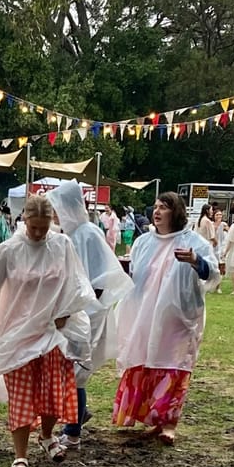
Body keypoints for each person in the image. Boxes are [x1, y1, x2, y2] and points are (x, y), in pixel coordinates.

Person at [0, 194, 92, 467]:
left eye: (44, 227)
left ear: (51, 222)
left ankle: (48, 436)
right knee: (22, 394)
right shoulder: (9, 251)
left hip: (52, 330)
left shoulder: (62, 245)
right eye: (33, 227)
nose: (38, 233)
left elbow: (76, 283)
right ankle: (20, 453)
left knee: (53, 391)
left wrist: (67, 311)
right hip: (18, 331)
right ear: (24, 220)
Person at [110, 191, 215, 445]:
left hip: (177, 317)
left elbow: (211, 272)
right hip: (145, 314)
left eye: (164, 208)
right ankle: (152, 418)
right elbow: (134, 274)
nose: (157, 212)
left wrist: (195, 261)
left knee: (174, 364)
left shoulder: (194, 242)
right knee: (146, 360)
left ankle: (169, 424)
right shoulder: (143, 242)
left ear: (175, 212)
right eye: (156, 207)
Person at [47, 181, 132, 445]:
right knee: (69, 368)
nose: (53, 214)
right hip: (74, 310)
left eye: (56, 208)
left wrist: (76, 308)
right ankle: (77, 414)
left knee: (76, 370)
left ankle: (73, 429)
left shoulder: (87, 234)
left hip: (86, 312)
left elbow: (96, 280)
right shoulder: (71, 234)